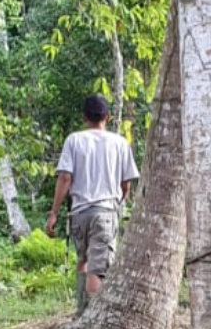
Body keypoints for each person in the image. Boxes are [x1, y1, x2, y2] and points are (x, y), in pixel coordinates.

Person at [45, 94, 140, 313]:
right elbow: (126, 184)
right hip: (105, 211)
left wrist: (54, 212)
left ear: (84, 117)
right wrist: (120, 200)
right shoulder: (119, 143)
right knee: (98, 269)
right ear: (107, 117)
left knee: (83, 262)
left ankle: (81, 312)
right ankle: (93, 317)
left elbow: (65, 177)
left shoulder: (74, 140)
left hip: (79, 212)